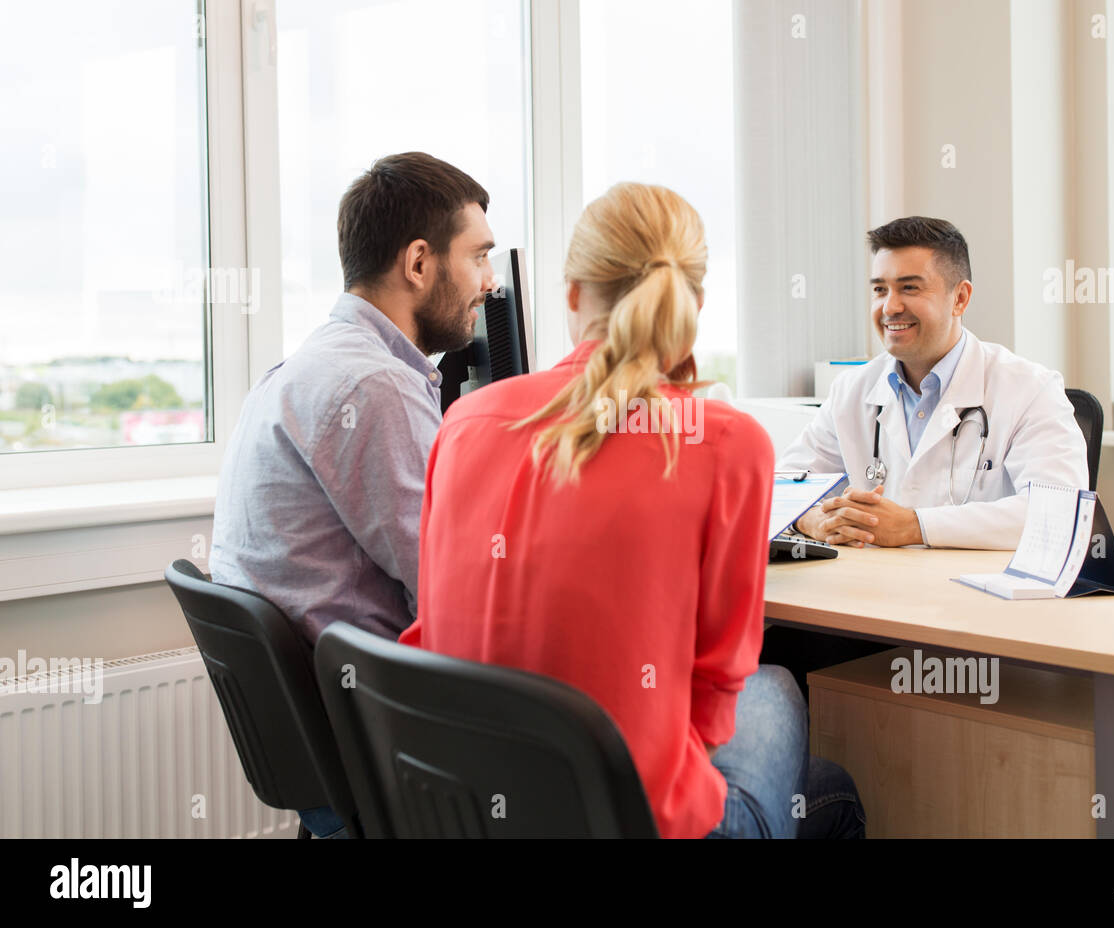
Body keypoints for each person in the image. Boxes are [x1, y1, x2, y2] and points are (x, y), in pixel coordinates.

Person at [399, 182, 865, 839]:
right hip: (631, 821)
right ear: (692, 305)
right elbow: (716, 680)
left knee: (769, 692)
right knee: (794, 720)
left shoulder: (464, 420)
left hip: (468, 807)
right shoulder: (728, 443)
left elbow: (430, 633)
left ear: (570, 297)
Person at [210, 152, 496, 837]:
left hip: (336, 756)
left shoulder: (304, 368)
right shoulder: (375, 388)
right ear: (420, 263)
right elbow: (455, 601)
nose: (489, 283)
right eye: (479, 257)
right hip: (392, 754)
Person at [763, 216, 1090, 697]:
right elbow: (782, 488)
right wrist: (813, 520)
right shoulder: (853, 390)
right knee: (772, 659)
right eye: (879, 289)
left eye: (909, 288)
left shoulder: (1029, 388)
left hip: (981, 627)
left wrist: (914, 526)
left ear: (960, 298)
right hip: (866, 615)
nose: (889, 307)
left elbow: (1057, 515)